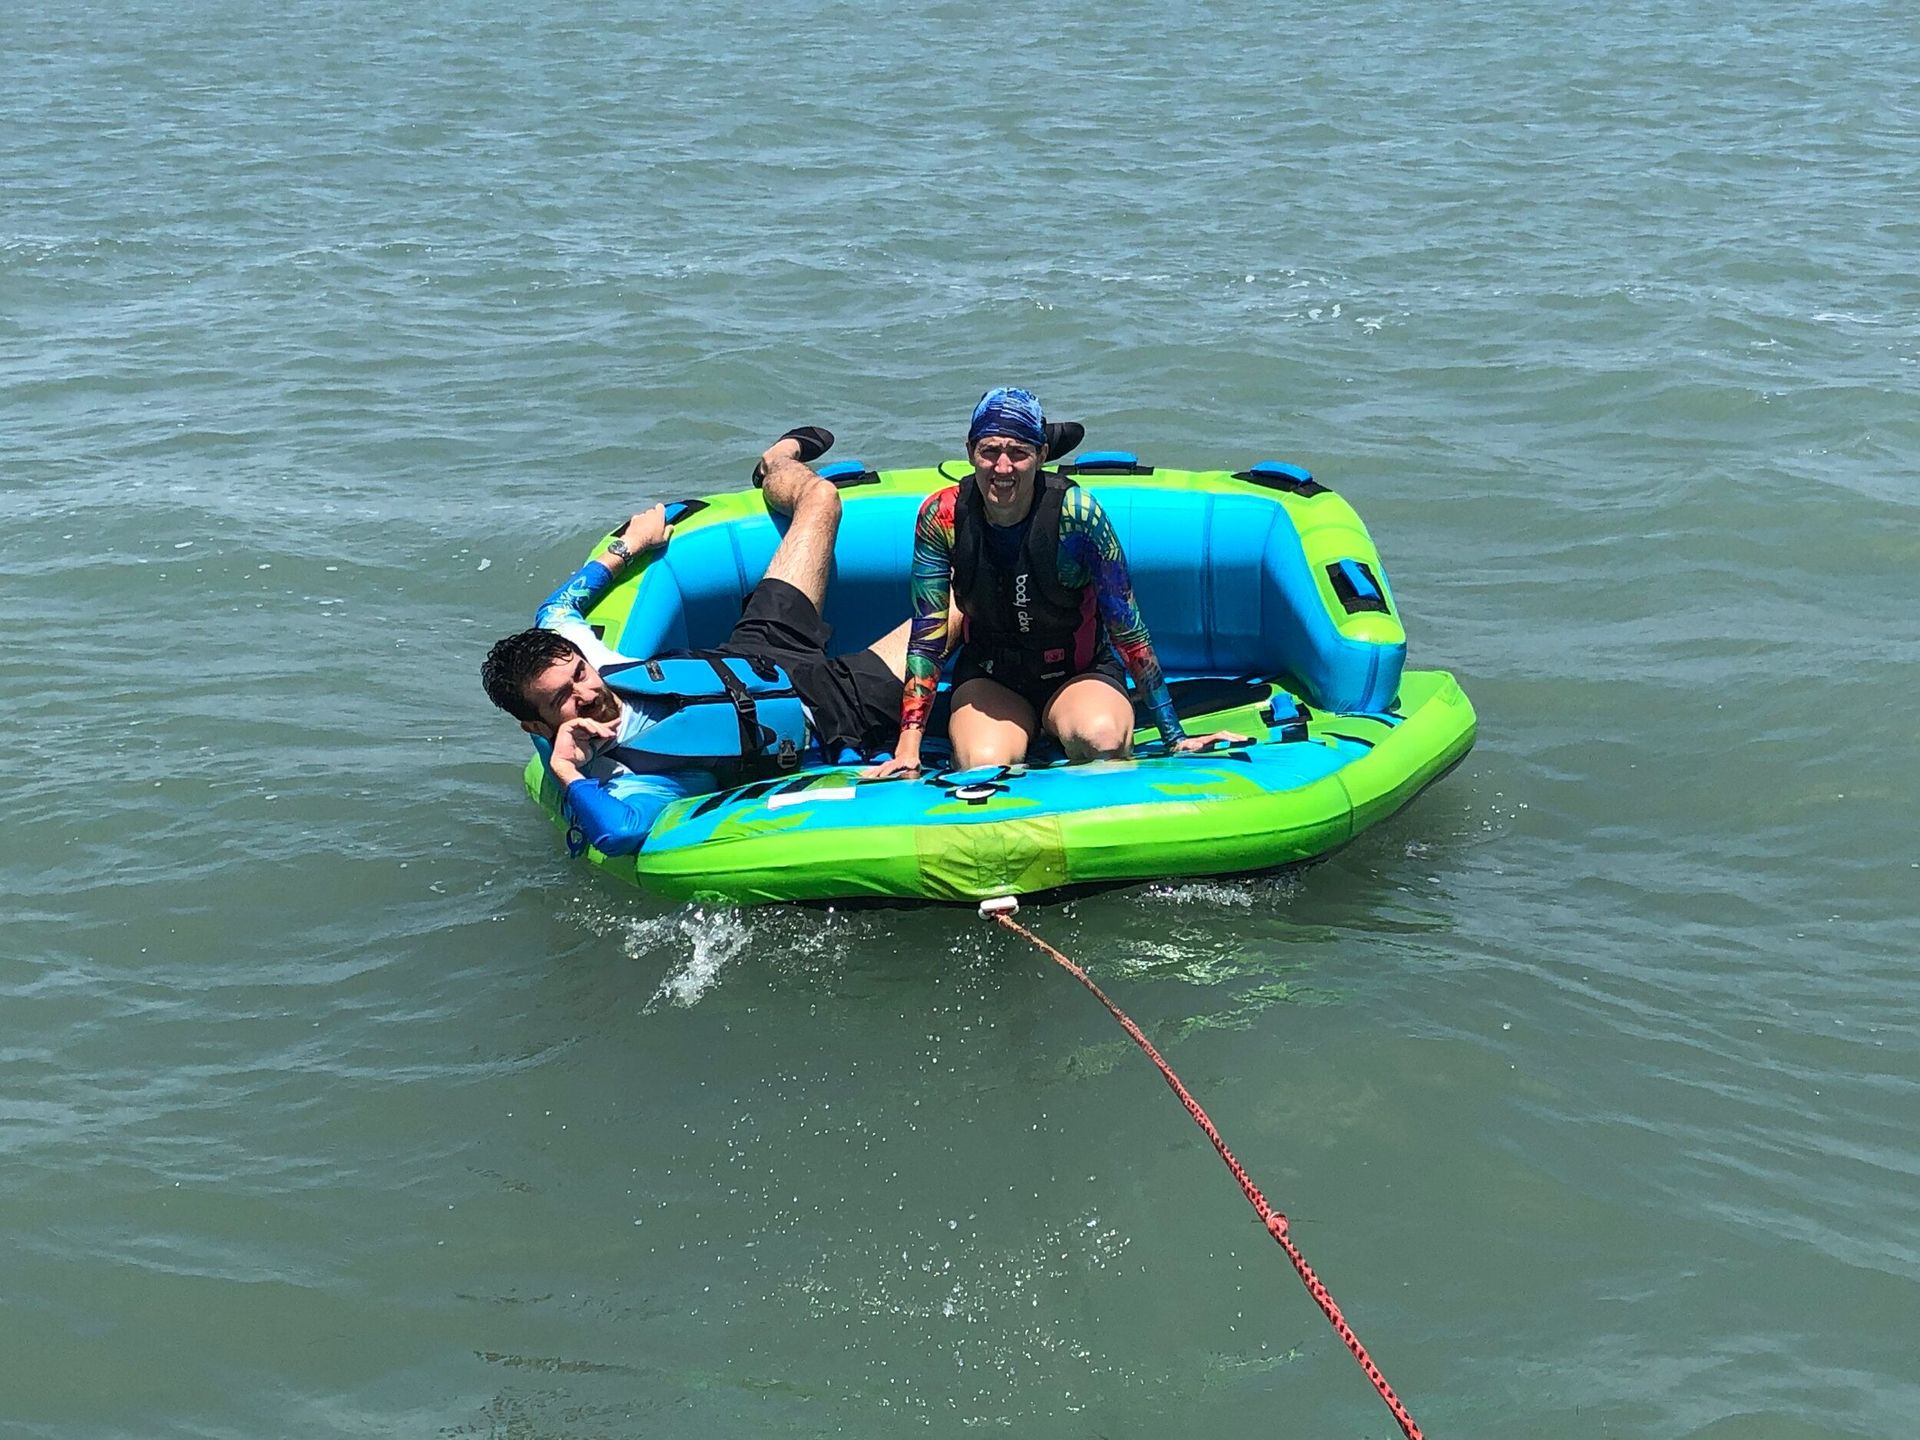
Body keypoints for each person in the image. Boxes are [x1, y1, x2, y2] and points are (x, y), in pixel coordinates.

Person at [480, 431, 913, 856]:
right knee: (956, 609)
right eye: (564, 699)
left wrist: (629, 545)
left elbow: (557, 608)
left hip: (754, 651)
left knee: (821, 498)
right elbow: (619, 834)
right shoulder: (628, 775)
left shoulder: (571, 647)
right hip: (830, 711)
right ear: (537, 727)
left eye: (579, 674)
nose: (589, 692)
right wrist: (564, 770)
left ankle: (776, 460)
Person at [867, 387, 1244, 779]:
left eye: (1018, 452)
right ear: (969, 452)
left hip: (1078, 675)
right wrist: (908, 746)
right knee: (982, 764)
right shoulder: (941, 517)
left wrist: (1173, 736)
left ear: (1042, 455)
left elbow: (1126, 627)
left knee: (1104, 740)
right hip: (992, 682)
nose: (1002, 467)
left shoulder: (1077, 517)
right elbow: (928, 633)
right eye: (989, 451)